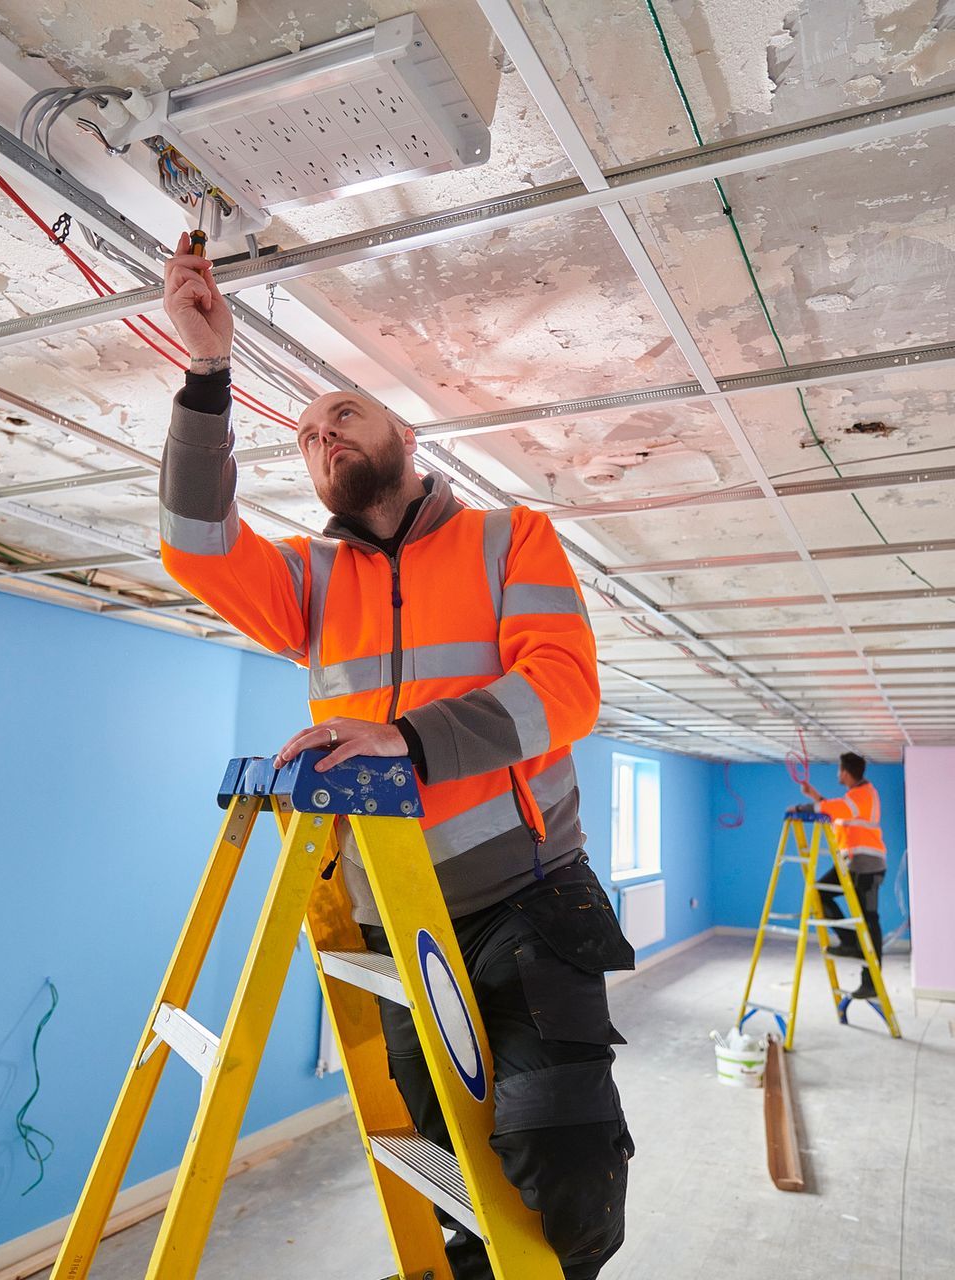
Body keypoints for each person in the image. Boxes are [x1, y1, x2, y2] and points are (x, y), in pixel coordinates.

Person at [153, 233, 633, 1278]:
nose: (324, 437)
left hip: (530, 899)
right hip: (394, 917)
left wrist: (407, 738)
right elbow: (193, 542)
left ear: (406, 437)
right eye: (310, 435)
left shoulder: (513, 540)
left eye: (345, 416)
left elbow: (566, 689)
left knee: (570, 1180)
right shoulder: (308, 581)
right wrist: (207, 370)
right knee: (461, 1173)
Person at [793, 751, 887, 999]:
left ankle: (871, 982)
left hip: (867, 866)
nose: (838, 773)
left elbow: (836, 809)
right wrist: (814, 797)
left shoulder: (862, 795)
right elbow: (838, 811)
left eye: (838, 769)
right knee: (819, 894)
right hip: (852, 864)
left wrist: (804, 807)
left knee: (869, 920)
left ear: (845, 772)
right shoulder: (857, 797)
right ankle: (851, 943)